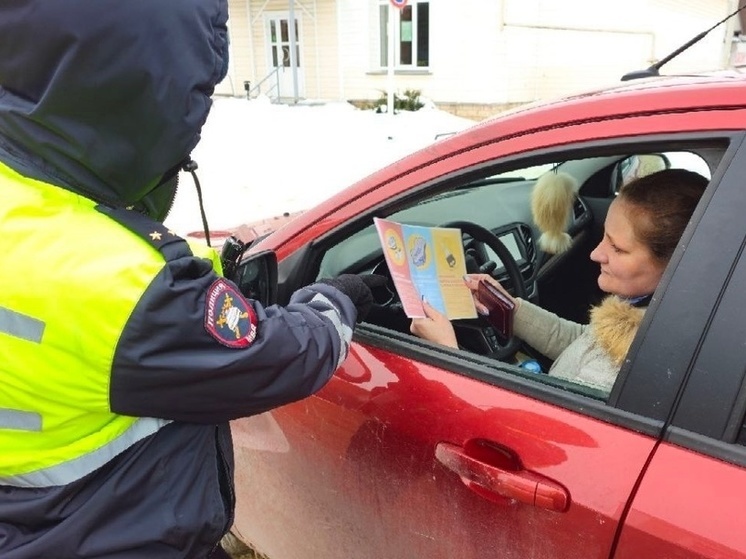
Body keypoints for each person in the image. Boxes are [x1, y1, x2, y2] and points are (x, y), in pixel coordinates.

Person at [0, 2, 383, 558]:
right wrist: (333, 302)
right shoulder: (123, 291)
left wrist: (222, 266)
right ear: (144, 100)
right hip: (119, 536)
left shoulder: (24, 202)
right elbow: (275, 358)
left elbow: (114, 266)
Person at [411, 168, 708, 393]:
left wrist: (447, 352)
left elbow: (526, 432)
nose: (596, 253)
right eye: (604, 235)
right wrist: (509, 308)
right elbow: (581, 342)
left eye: (617, 248)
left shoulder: (635, 361)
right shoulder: (642, 309)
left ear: (677, 264)